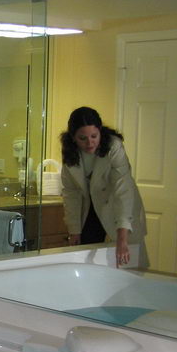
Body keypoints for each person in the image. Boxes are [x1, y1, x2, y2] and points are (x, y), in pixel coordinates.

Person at [60, 106, 147, 267]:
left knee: (127, 266)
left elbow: (123, 190)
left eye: (94, 136)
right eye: (82, 138)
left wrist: (122, 236)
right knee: (88, 263)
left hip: (118, 207)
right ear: (73, 137)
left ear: (100, 131)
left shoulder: (114, 147)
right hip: (89, 210)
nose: (89, 142)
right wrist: (74, 230)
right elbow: (71, 193)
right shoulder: (70, 153)